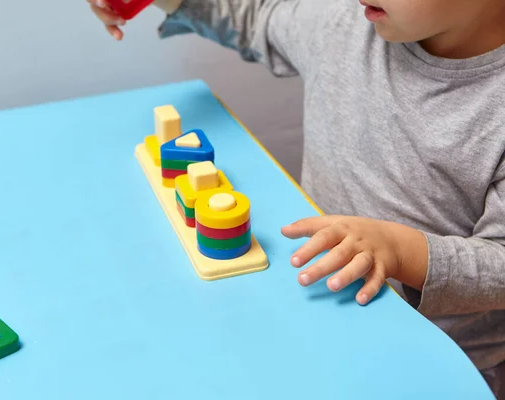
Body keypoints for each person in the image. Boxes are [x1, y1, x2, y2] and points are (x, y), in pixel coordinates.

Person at [87, 0, 505, 396]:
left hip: (440, 365)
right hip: (315, 318)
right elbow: (259, 17)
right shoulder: (348, 24)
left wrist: (402, 251)